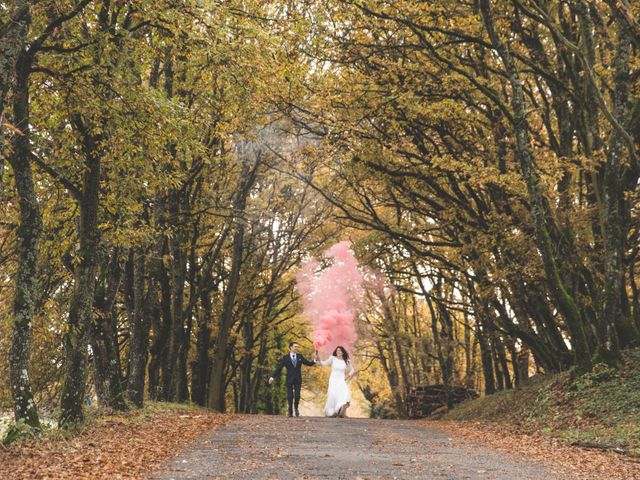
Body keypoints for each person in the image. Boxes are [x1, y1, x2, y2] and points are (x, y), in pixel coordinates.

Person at [268, 341, 317, 417]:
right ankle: (290, 410)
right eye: (295, 347)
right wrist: (272, 377)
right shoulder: (285, 358)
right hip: (289, 379)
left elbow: (308, 363)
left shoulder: (300, 356)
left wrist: (314, 360)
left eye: (297, 347)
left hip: (298, 379)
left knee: (297, 396)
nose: (297, 348)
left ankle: (296, 408)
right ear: (291, 347)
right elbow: (279, 368)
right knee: (290, 396)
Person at [315, 346, 356, 418]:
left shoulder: (346, 361)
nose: (338, 352)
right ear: (335, 352)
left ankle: (341, 411)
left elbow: (352, 370)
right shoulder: (332, 358)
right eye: (337, 351)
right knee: (333, 395)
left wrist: (347, 376)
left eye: (340, 351)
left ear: (343, 352)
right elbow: (324, 363)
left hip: (341, 380)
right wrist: (318, 360)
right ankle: (332, 412)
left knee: (344, 393)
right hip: (333, 380)